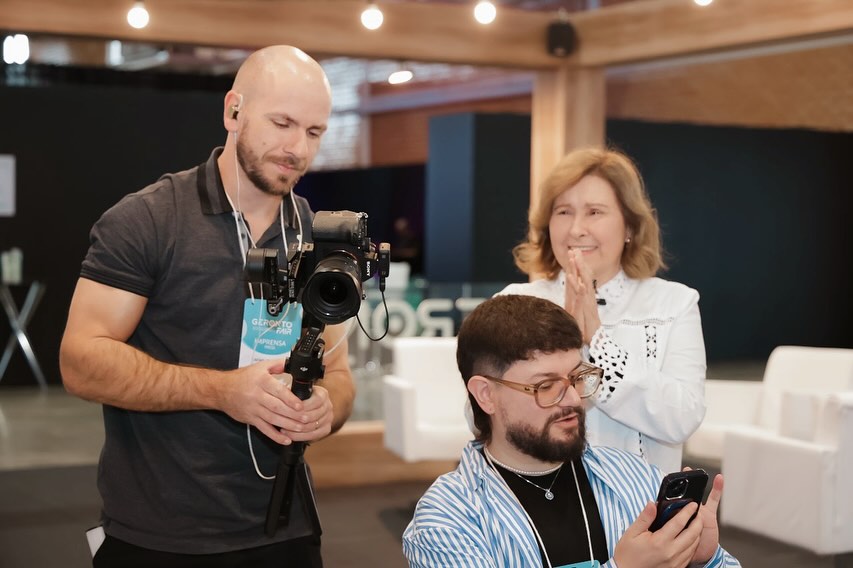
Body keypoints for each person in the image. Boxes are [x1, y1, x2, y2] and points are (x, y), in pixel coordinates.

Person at [59, 46, 353, 567]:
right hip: (160, 536)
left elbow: (341, 376)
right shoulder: (149, 220)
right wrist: (221, 391)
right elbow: (80, 362)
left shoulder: (318, 233)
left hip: (286, 529)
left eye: (314, 132)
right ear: (233, 111)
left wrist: (326, 409)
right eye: (282, 123)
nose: (297, 148)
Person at [403, 295, 739, 568]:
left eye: (577, 377)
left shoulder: (634, 477)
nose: (573, 399)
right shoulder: (447, 518)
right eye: (546, 386)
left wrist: (705, 561)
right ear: (486, 395)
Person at [498, 147, 705, 473]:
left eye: (594, 212)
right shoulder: (515, 301)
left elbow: (682, 418)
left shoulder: (674, 303)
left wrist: (597, 340)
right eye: (563, 212)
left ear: (630, 228)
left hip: (642, 502)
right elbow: (480, 414)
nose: (576, 229)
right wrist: (562, 343)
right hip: (537, 499)